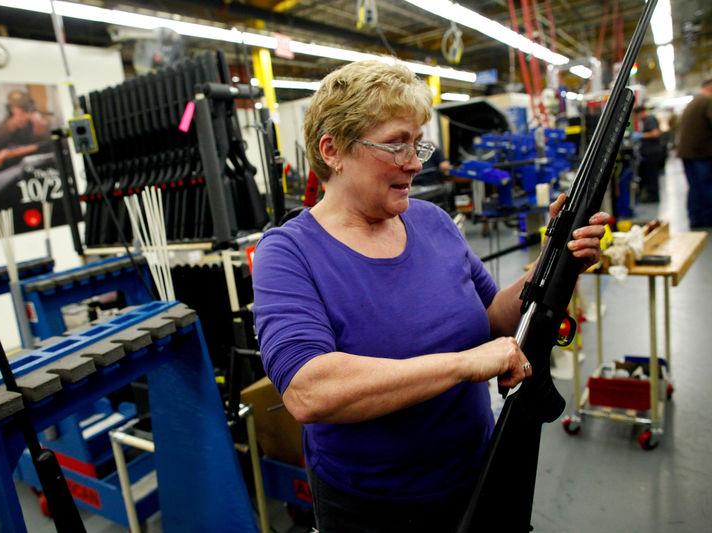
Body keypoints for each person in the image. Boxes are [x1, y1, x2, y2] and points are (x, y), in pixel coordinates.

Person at [251, 60, 608, 533]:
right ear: (332, 150)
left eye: (418, 143)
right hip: (373, 507)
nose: (415, 161)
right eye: (396, 143)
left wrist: (553, 263)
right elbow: (310, 390)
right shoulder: (289, 252)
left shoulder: (431, 221)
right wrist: (464, 363)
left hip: (480, 473)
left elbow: (495, 319)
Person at [676, 78, 712, 228]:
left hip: (688, 153)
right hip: (701, 153)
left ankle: (695, 218)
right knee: (706, 186)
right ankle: (707, 218)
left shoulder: (694, 102)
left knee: (695, 187)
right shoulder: (707, 101)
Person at [633, 105, 664, 203]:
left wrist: (641, 135)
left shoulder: (649, 119)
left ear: (640, 112)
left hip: (652, 151)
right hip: (649, 151)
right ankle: (652, 195)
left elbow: (655, 133)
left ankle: (653, 197)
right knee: (649, 174)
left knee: (652, 175)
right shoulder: (647, 119)